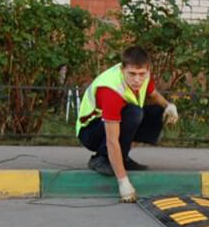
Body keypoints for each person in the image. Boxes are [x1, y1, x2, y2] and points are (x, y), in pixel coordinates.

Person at [76, 46, 180, 202]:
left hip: (113, 121)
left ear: (147, 69)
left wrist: (169, 106)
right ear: (122, 69)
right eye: (131, 74)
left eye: (141, 74)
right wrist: (123, 182)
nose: (137, 80)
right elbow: (112, 141)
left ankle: (122, 158)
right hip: (91, 131)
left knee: (157, 111)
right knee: (134, 114)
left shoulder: (143, 76)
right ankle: (100, 159)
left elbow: (154, 94)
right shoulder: (110, 90)